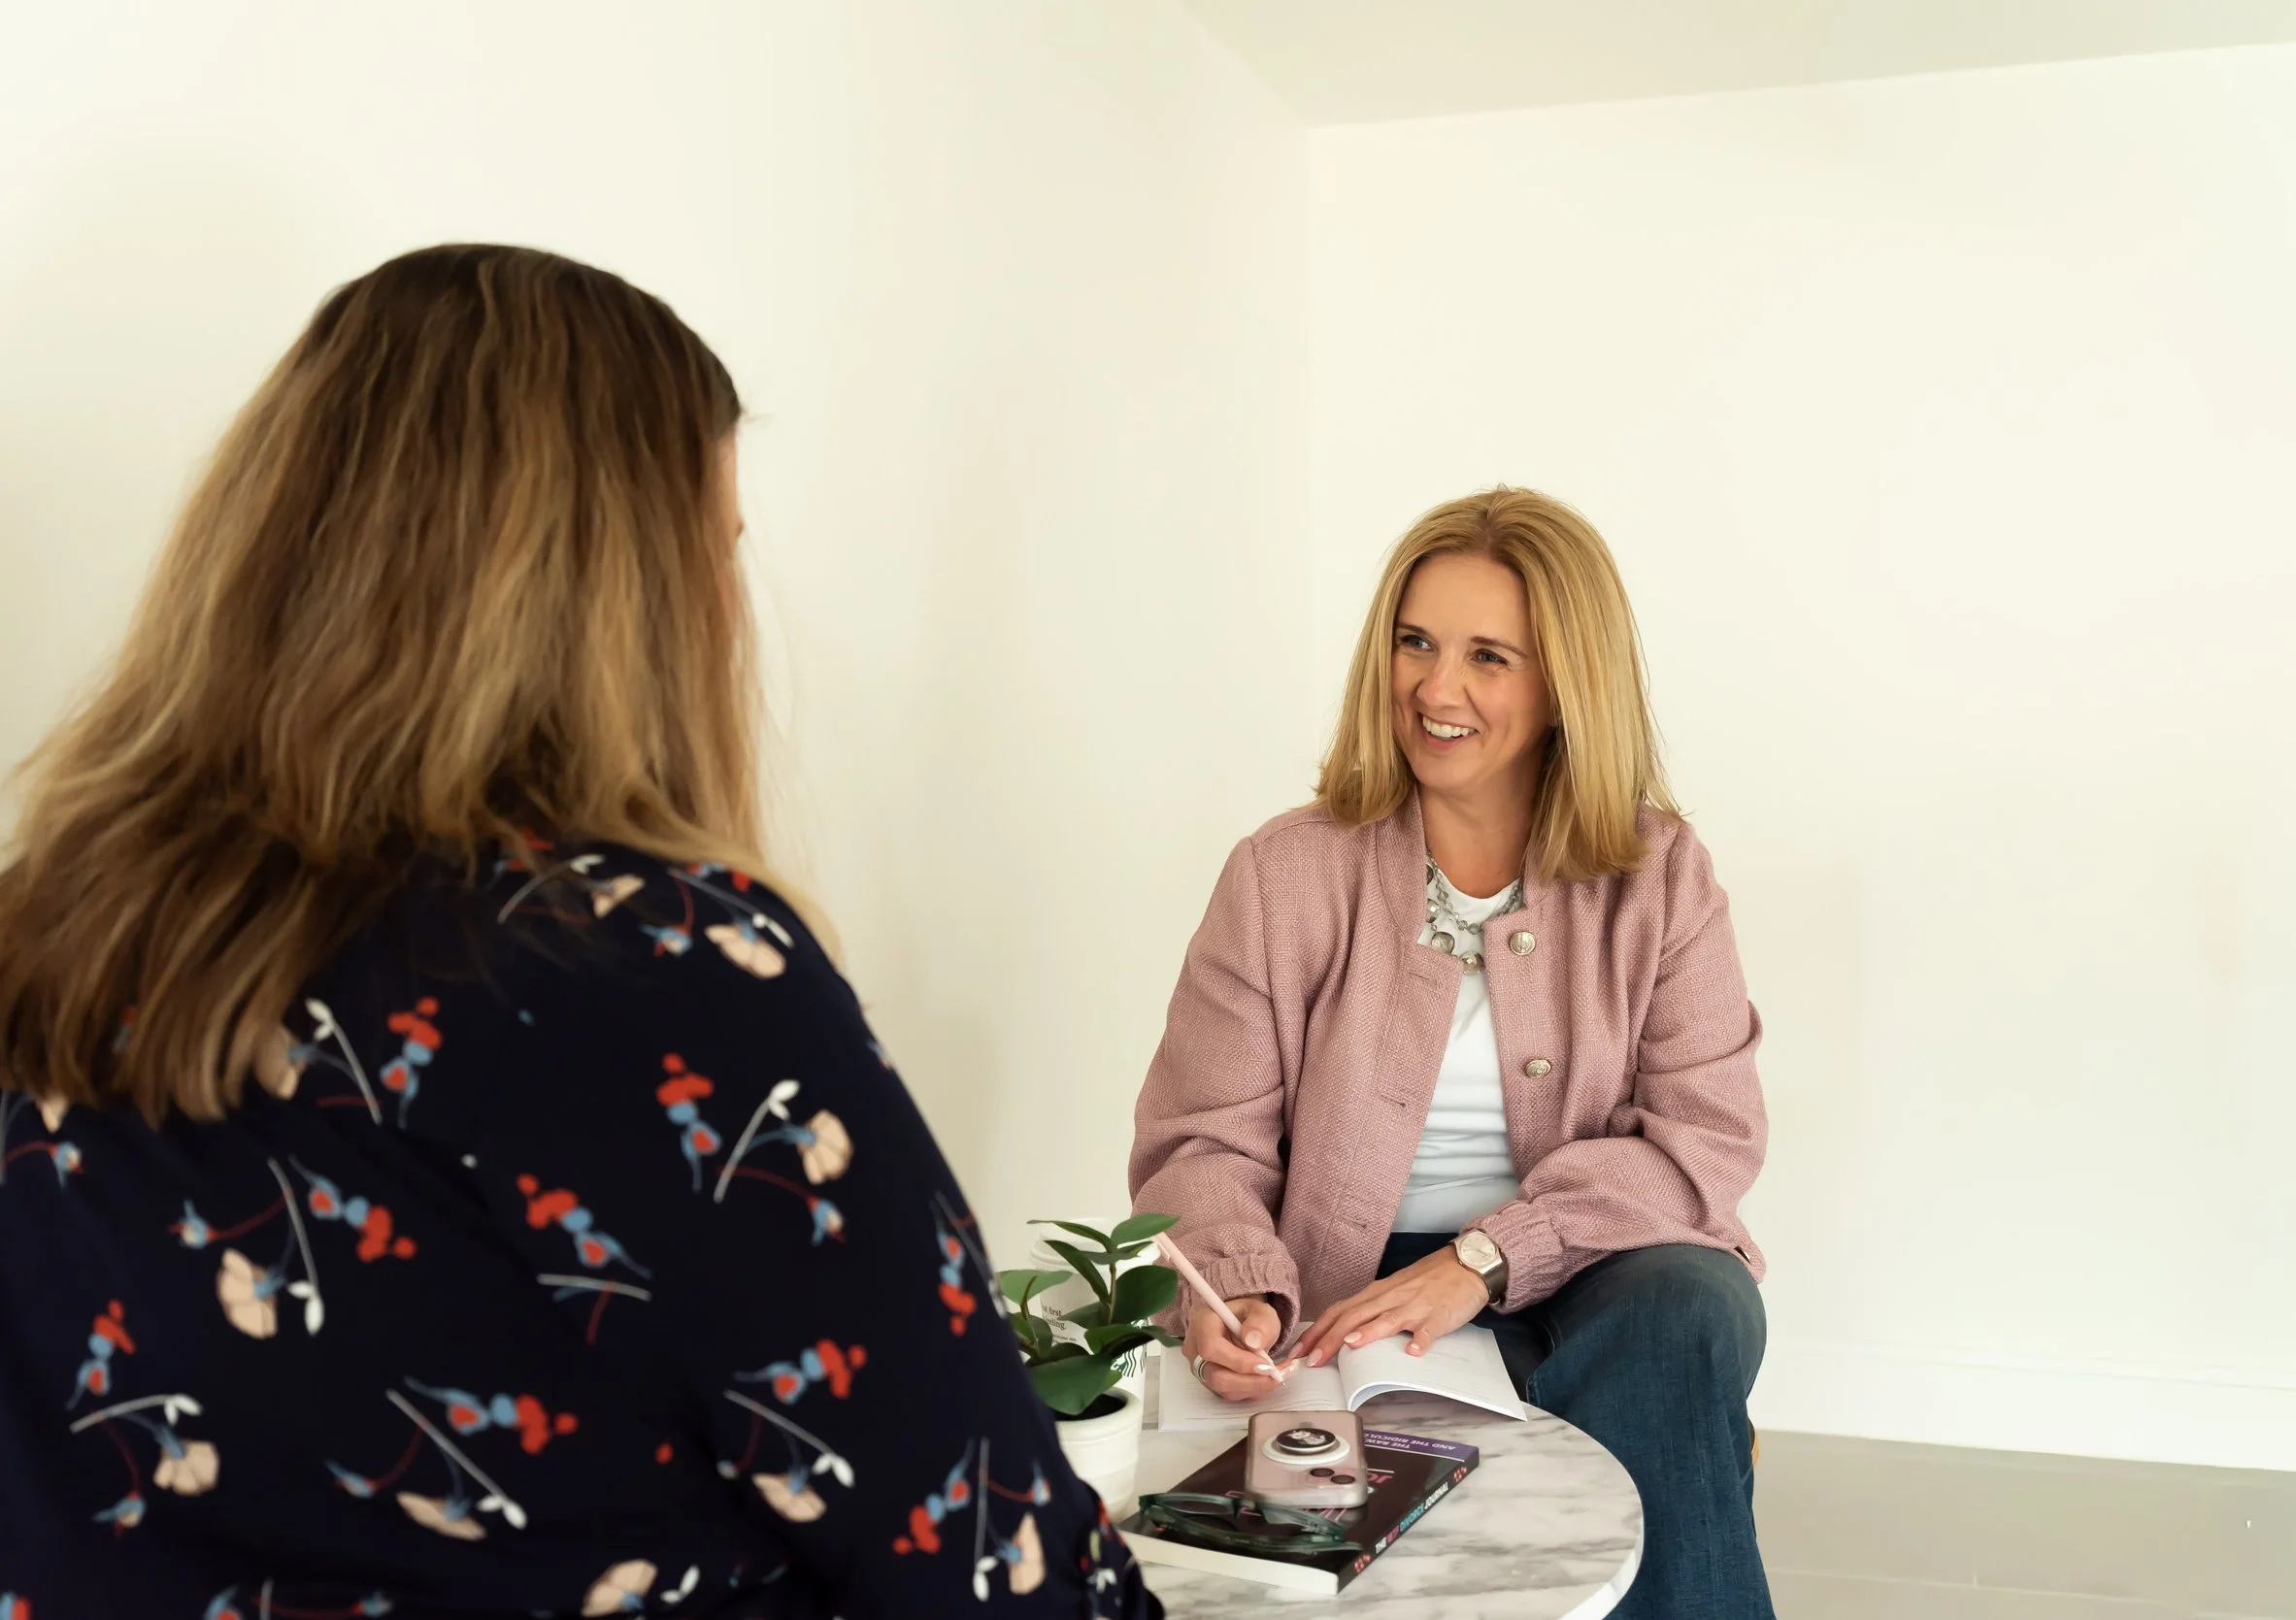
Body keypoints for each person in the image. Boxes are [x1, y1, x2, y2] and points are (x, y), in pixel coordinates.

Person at [0, 246, 1157, 1620]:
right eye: (713, 554)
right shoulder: (645, 969)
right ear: (620, 594)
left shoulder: (47, 941)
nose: (731, 611)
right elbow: (988, 1561)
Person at [1130, 488, 1773, 1618]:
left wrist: (1483, 1261)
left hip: (1589, 1277)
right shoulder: (1283, 873)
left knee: (1692, 1307)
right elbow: (1201, 1135)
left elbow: (1706, 1137)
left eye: (1489, 656)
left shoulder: (1660, 874)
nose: (1436, 688)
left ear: (1568, 683)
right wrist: (1241, 1294)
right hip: (1343, 1290)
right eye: (1416, 642)